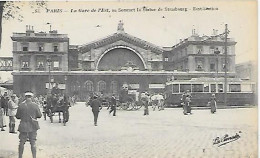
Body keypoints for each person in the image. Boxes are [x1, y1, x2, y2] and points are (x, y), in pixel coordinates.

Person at [16, 92, 42, 158]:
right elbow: (39, 115)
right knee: (33, 142)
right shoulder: (35, 105)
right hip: (32, 126)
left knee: (21, 142)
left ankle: (20, 156)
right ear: (31, 97)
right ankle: (34, 156)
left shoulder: (21, 105)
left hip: (23, 126)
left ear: (25, 97)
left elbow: (17, 116)